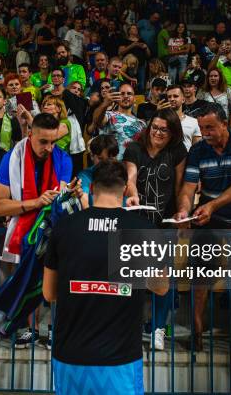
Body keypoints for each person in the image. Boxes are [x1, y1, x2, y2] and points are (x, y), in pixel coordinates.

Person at [43, 160, 162, 395]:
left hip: (70, 355)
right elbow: (161, 287)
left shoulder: (65, 227)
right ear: (126, 189)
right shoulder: (141, 228)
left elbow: (49, 293)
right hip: (120, 360)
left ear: (91, 188)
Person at [174, 103, 231, 351]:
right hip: (209, 220)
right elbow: (189, 188)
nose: (206, 132)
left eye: (210, 127)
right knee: (200, 277)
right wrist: (184, 210)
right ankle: (197, 333)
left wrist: (211, 206)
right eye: (202, 128)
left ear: (225, 123)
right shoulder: (199, 150)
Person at [0, 113, 76, 346]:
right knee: (27, 281)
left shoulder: (63, 159)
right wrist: (36, 202)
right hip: (24, 234)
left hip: (54, 232)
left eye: (53, 142)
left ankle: (53, 330)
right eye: (43, 142)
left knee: (54, 281)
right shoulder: (11, 159)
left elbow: (59, 199)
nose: (49, 148)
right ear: (31, 135)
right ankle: (27, 329)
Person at [92, 82, 146, 160]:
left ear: (134, 99)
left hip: (132, 167)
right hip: (111, 167)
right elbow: (96, 121)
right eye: (122, 93)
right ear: (117, 98)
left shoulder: (142, 123)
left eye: (129, 93)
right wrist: (105, 104)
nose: (126, 96)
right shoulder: (108, 115)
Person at [166, 85, 201, 151]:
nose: (172, 99)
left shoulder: (194, 122)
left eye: (175, 96)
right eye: (169, 97)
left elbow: (197, 149)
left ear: (183, 99)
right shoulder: (161, 121)